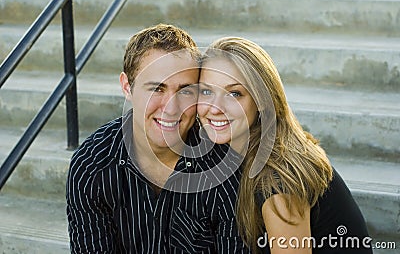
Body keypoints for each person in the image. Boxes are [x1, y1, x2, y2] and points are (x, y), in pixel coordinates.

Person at [66, 24, 250, 253]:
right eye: (157, 89)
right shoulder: (93, 166)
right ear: (127, 87)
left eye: (185, 91)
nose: (171, 108)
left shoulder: (224, 165)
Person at [197, 37, 372, 254]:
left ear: (261, 100)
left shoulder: (278, 178)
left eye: (234, 94)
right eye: (206, 91)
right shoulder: (232, 149)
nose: (215, 108)